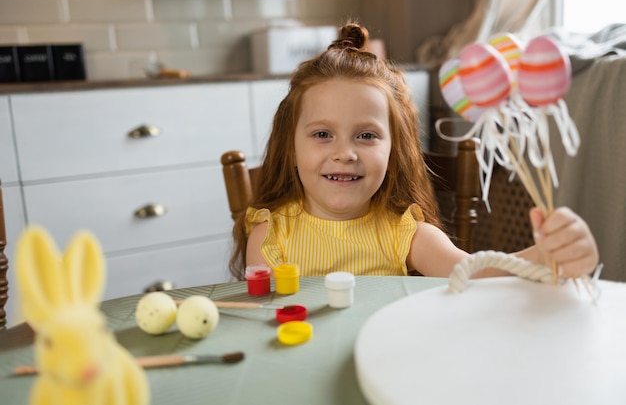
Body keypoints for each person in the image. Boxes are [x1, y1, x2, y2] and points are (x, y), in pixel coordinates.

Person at [228, 22, 599, 281]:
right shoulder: (270, 235)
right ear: (291, 149)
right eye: (323, 133)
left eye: (367, 136)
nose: (345, 153)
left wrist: (549, 254)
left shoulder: (404, 232)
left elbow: (477, 273)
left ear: (394, 151)